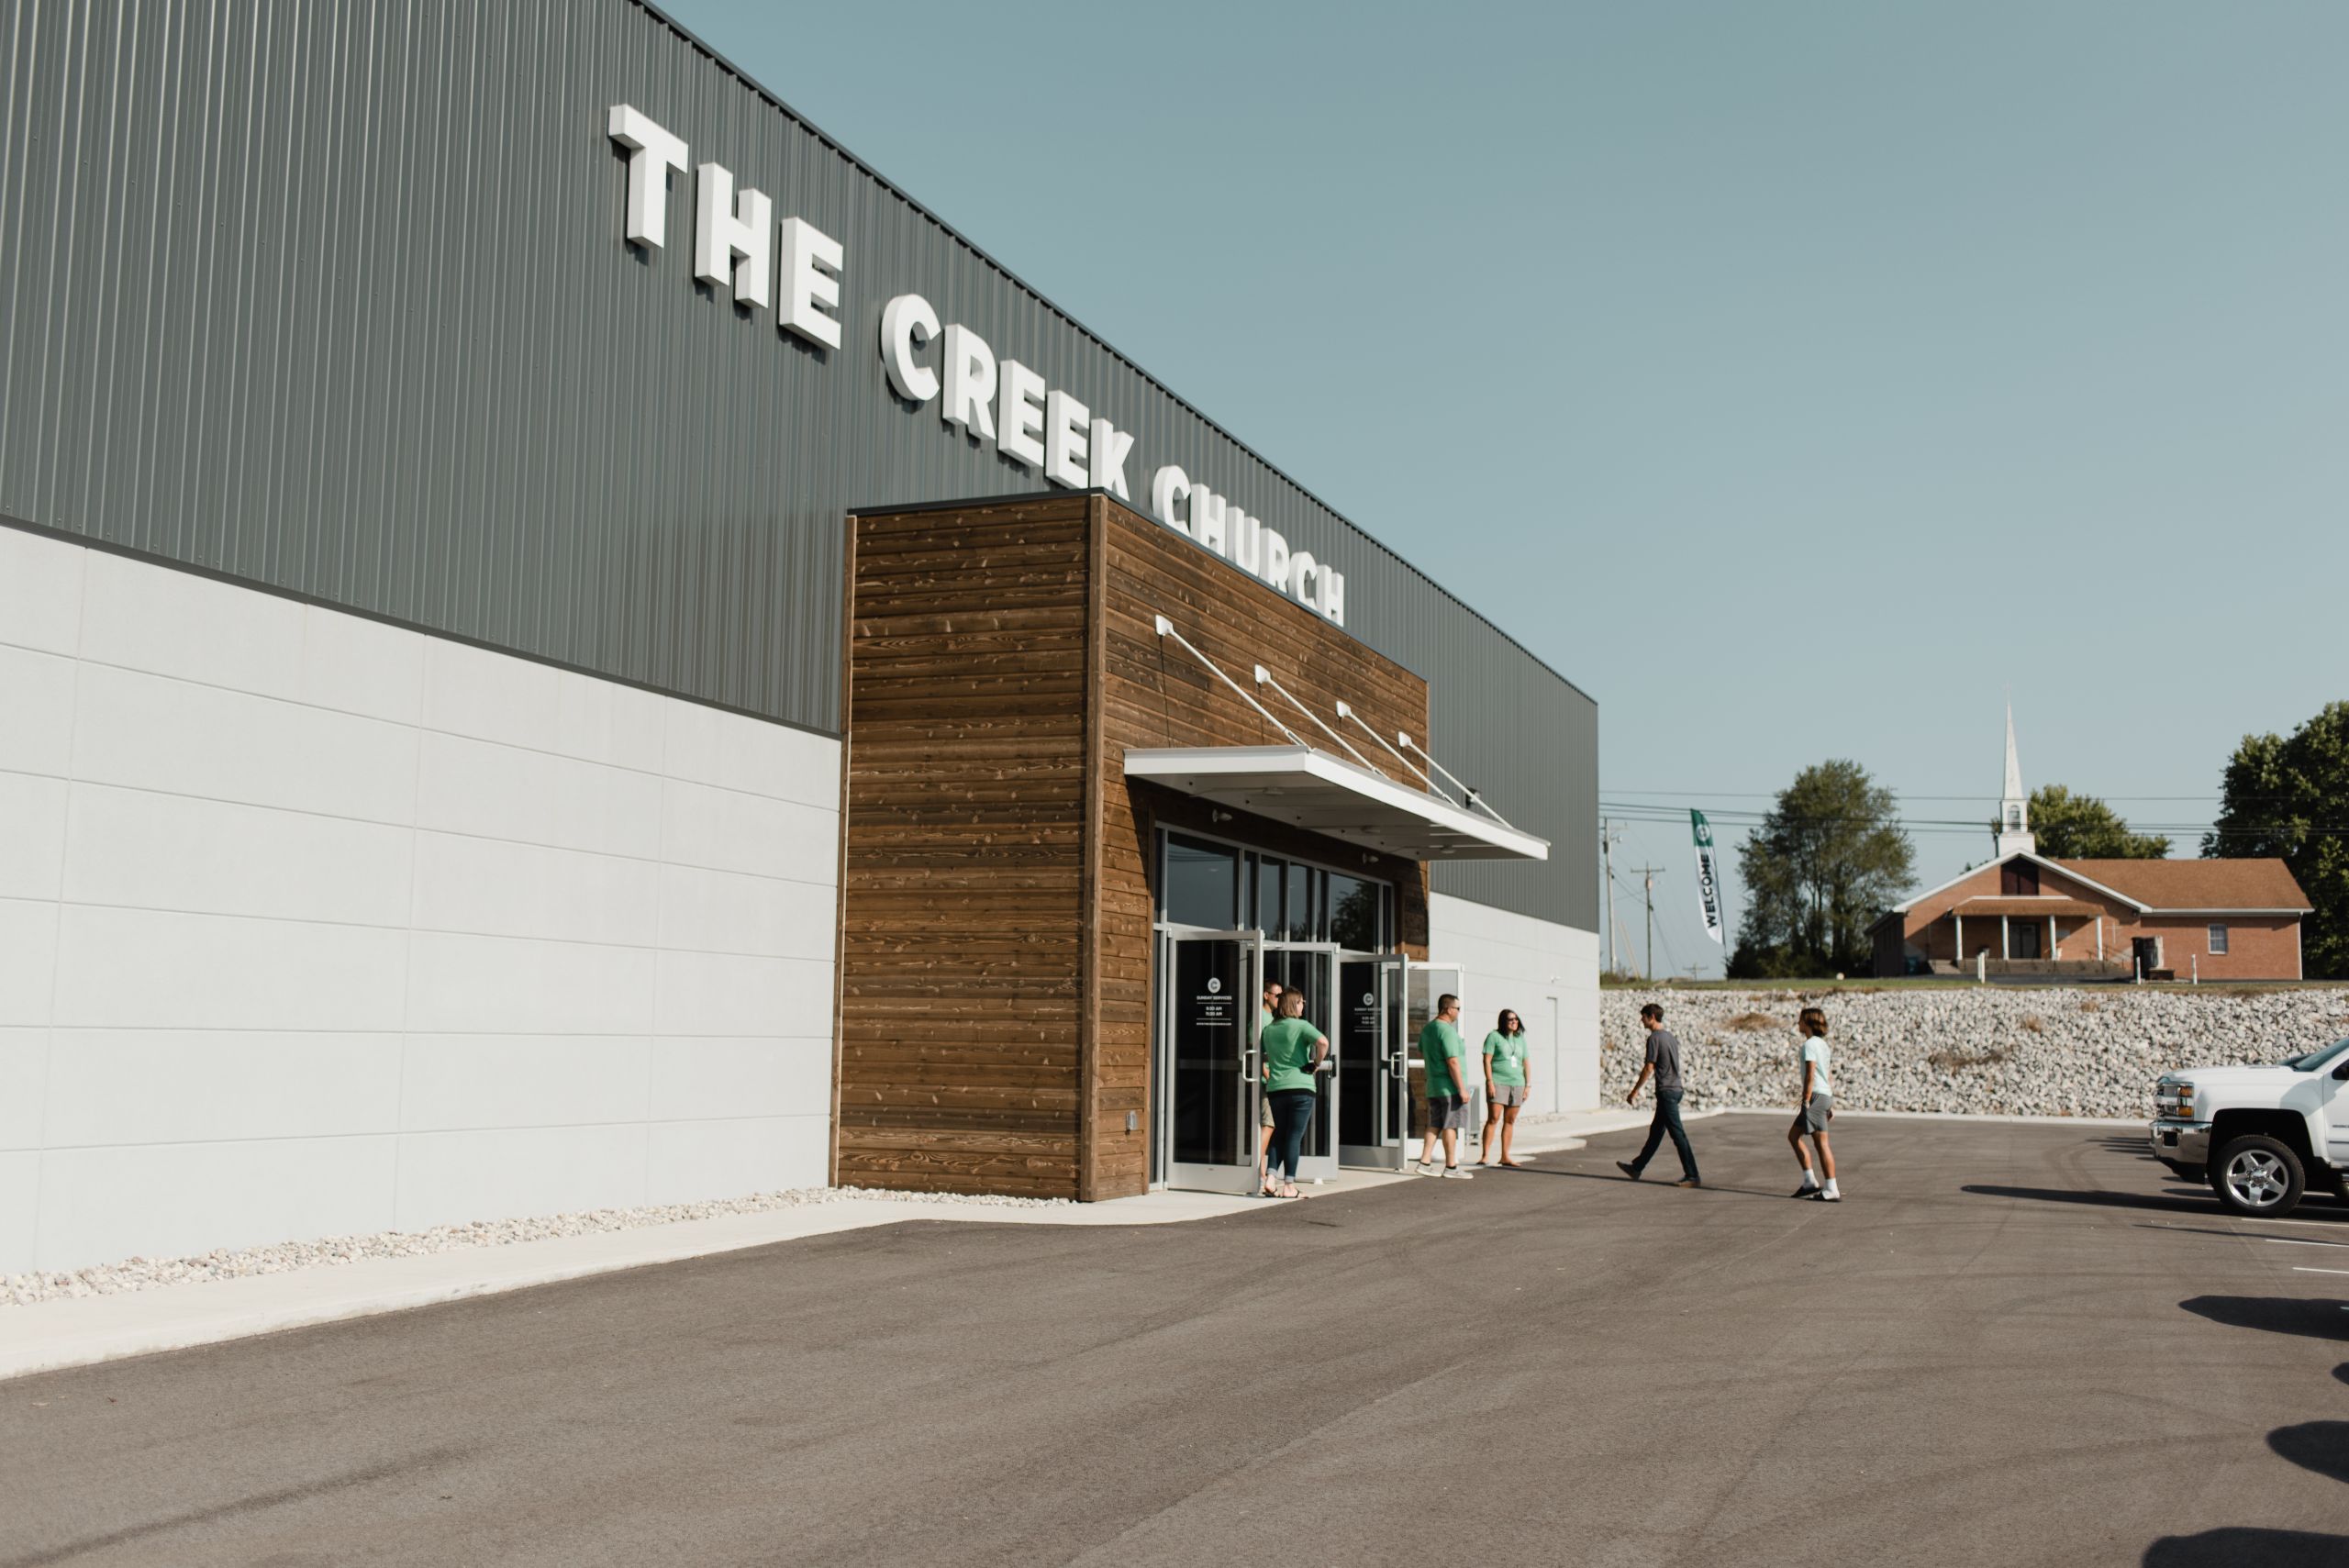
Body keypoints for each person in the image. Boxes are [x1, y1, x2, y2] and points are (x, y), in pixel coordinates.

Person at [1617, 1002, 1699, 1188]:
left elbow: (1649, 1067)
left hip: (1667, 1091)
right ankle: (1636, 1168)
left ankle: (1692, 1176)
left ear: (1652, 1017)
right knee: (1655, 1133)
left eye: (1643, 1016)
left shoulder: (1654, 1038)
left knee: (1678, 1135)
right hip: (1676, 1089)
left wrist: (1634, 1091)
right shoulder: (1670, 1037)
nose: (1641, 1020)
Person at [1259, 987, 1329, 1199]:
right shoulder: (1301, 1025)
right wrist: (1316, 1063)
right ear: (1293, 1004)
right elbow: (1323, 1042)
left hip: (1276, 1088)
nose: (1303, 1006)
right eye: (1301, 1002)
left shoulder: (1268, 1030)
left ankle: (1270, 1179)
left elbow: (1263, 1056)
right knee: (1294, 1136)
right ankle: (1289, 1185)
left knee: (1279, 1133)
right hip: (1301, 1087)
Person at [1414, 993, 1475, 1179]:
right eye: (1457, 1008)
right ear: (1448, 1009)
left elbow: (1422, 1051)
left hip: (1434, 1085)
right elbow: (1453, 1061)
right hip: (1449, 1087)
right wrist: (1462, 1089)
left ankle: (1424, 1163)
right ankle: (1451, 1167)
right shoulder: (1447, 1031)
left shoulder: (1428, 1029)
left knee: (1435, 1124)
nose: (1458, 1012)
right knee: (1451, 1125)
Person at [1788, 1006, 1840, 1201]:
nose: (1798, 1023)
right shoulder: (1823, 1045)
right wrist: (1830, 1103)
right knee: (1794, 1136)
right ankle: (1809, 1181)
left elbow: (1811, 1074)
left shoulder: (1809, 1045)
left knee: (1821, 1144)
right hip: (1823, 1096)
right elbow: (1827, 1074)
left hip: (1815, 1097)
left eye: (1801, 1019)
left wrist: (1806, 1100)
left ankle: (1831, 1189)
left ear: (1807, 1023)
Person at [1479, 1008, 1533, 1168]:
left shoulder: (1520, 1039)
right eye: (1510, 1019)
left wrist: (1527, 1085)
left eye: (1516, 1019)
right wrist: (1490, 1081)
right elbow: (1487, 1060)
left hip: (1517, 1083)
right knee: (1494, 1118)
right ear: (1503, 1021)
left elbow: (1526, 1062)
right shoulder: (1494, 1036)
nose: (1514, 1022)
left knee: (1510, 1120)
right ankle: (1485, 1155)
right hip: (1498, 1082)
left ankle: (1505, 1156)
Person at [1255, 980, 1285, 1189]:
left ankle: (1262, 1172)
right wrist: (1269, 1075)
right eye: (1277, 996)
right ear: (1266, 995)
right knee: (1269, 1124)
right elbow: (1255, 1051)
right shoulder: (1260, 1019)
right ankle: (1258, 1172)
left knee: (1268, 1124)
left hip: (1272, 1078)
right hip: (1267, 1080)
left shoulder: (1272, 1018)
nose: (1280, 1000)